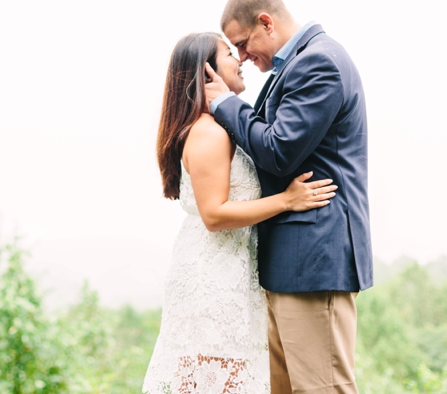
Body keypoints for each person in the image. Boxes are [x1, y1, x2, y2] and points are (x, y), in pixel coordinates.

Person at [142, 32, 337, 394]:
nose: (240, 60)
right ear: (207, 73)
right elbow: (214, 215)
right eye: (229, 53)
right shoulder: (209, 133)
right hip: (213, 276)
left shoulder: (219, 128)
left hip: (231, 268)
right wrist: (287, 200)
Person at [204, 0, 373, 394]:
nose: (243, 57)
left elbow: (279, 151)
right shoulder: (297, 64)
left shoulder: (320, 63)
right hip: (289, 264)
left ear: (266, 22)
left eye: (243, 44)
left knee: (323, 388)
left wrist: (226, 105)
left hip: (315, 260)